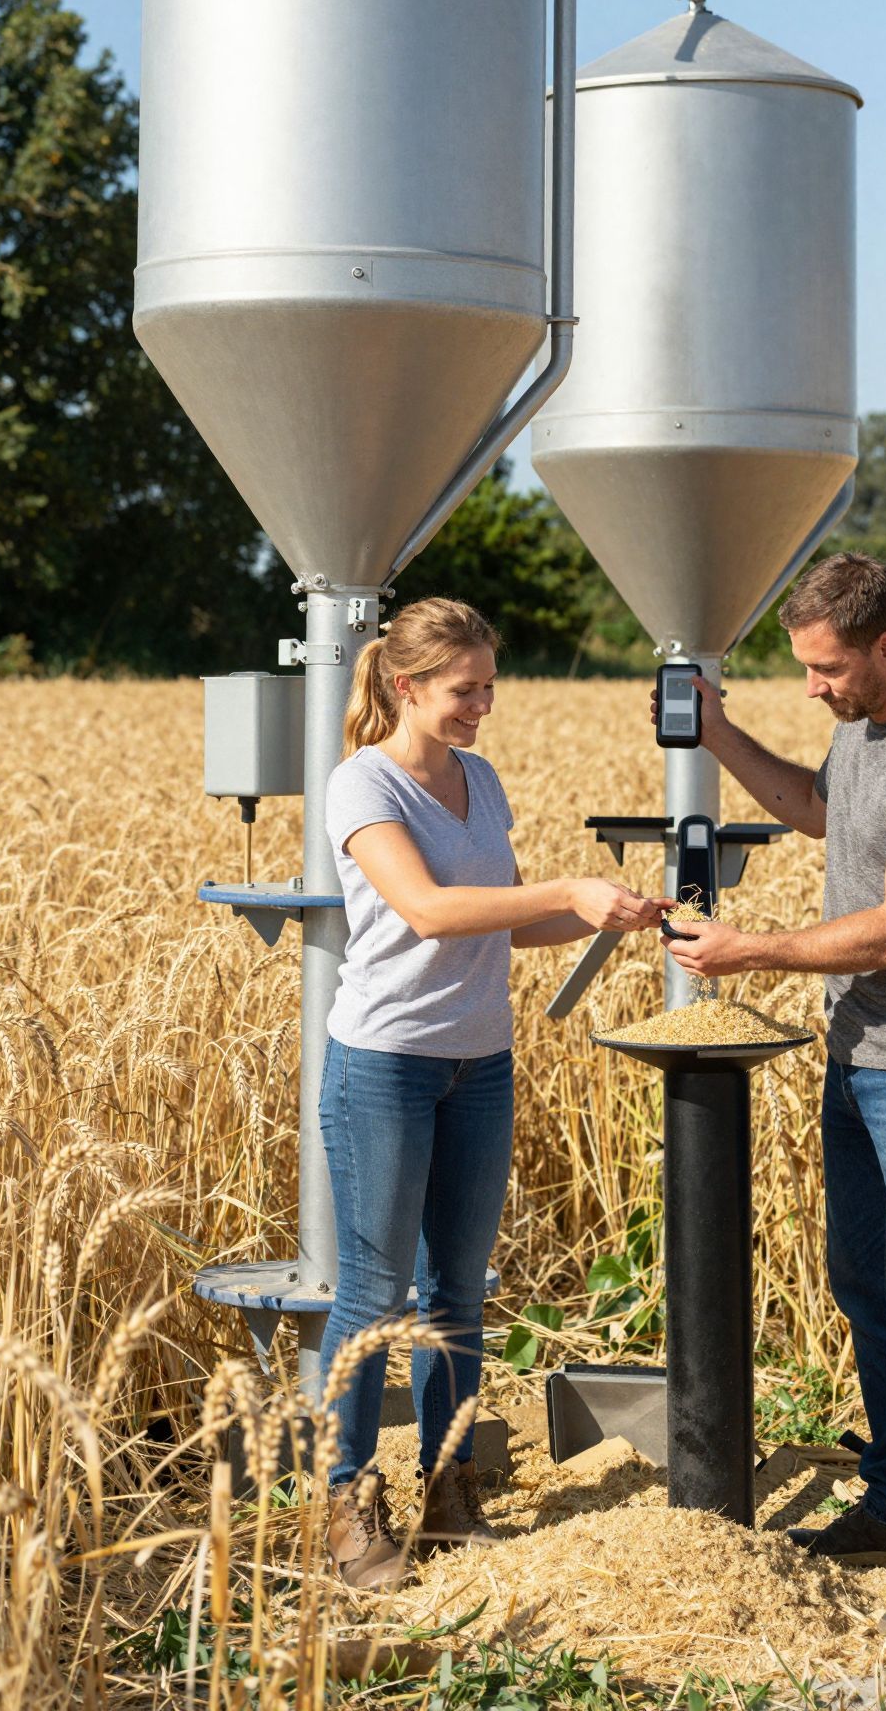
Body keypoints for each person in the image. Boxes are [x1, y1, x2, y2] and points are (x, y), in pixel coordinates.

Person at [659, 553, 886, 1643]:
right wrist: (717, 733)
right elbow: (820, 809)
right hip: (862, 1054)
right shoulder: (866, 726)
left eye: (826, 669)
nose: (814, 686)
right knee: (868, 1283)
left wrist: (750, 949)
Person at [320, 596, 661, 1589]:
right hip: (385, 1062)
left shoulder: (481, 779)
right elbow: (430, 910)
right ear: (405, 685)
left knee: (458, 1294)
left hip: (480, 1062)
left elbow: (501, 921)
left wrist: (605, 916)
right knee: (374, 1294)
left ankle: (448, 1488)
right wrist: (567, 888)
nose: (482, 707)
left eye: (489, 687)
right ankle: (346, 1505)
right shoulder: (362, 783)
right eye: (465, 690)